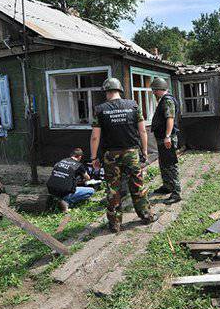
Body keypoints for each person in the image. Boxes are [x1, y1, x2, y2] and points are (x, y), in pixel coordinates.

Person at [90, 77, 157, 232]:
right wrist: (145, 152)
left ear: (106, 91)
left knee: (113, 189)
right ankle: (146, 216)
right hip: (132, 153)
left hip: (110, 155)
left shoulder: (99, 110)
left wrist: (93, 158)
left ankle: (115, 224)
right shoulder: (133, 106)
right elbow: (142, 131)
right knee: (137, 185)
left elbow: (95, 137)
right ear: (120, 90)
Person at [150, 77, 182, 204]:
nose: (153, 93)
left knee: (170, 165)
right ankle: (167, 186)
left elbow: (170, 118)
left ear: (159, 89)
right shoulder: (164, 100)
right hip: (162, 138)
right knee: (164, 163)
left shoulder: (167, 100)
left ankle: (176, 193)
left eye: (154, 90)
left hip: (166, 138)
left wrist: (167, 136)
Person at [46, 148, 94, 213]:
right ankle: (66, 201)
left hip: (51, 189)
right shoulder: (78, 165)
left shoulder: (61, 161)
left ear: (71, 155)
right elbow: (87, 178)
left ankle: (57, 199)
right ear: (80, 157)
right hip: (64, 191)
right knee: (91, 191)